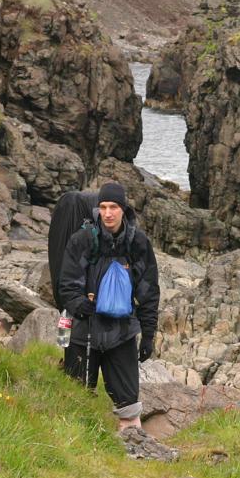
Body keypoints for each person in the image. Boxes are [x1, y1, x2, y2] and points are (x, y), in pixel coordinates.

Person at [57, 181, 159, 430]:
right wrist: (81, 305)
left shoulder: (138, 244)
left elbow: (148, 292)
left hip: (121, 333)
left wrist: (148, 335)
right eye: (103, 207)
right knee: (75, 400)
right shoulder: (82, 240)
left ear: (123, 209)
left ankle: (131, 453)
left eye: (113, 207)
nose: (108, 213)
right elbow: (67, 284)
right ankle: (75, 454)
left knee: (129, 406)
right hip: (84, 331)